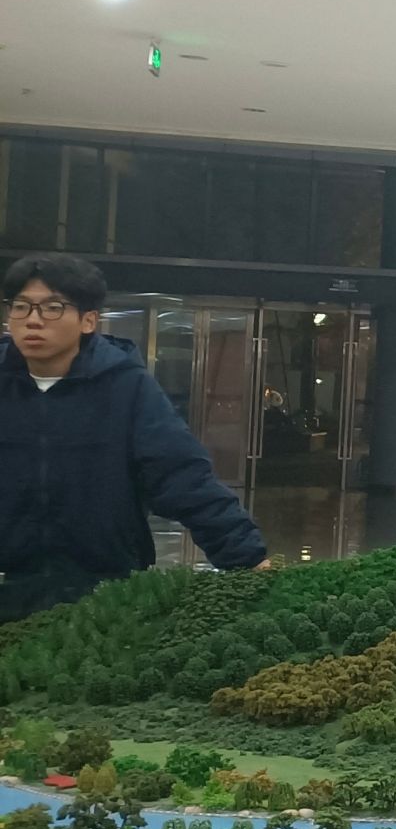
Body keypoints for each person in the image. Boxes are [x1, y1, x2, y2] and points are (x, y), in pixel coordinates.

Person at [0, 253, 268, 620]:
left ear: (88, 320)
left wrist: (245, 557)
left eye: (53, 308)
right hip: (9, 587)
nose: (33, 320)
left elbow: (181, 476)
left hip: (107, 594)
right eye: (21, 307)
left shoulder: (126, 387)